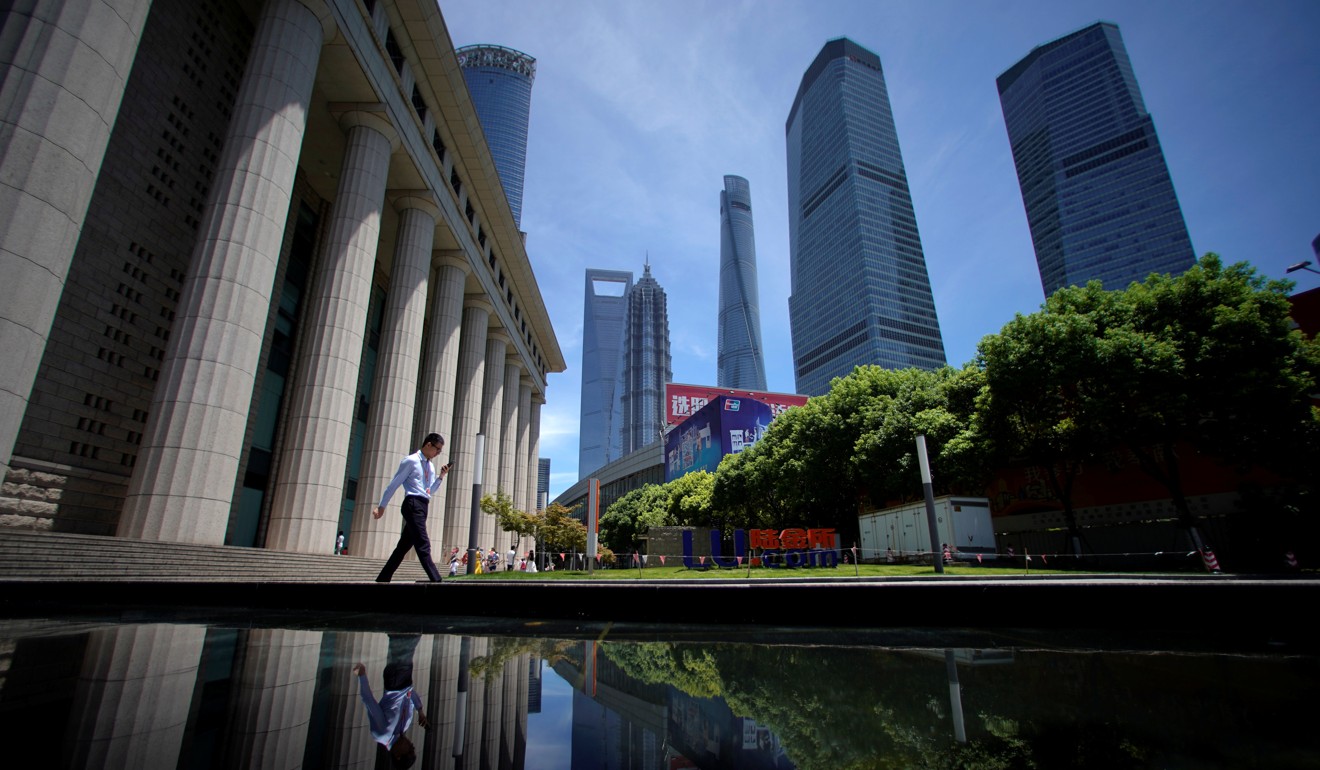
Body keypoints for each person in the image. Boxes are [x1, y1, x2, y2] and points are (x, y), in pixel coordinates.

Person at [373, 433, 450, 583]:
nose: (438, 453)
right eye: (437, 449)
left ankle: (383, 578)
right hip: (412, 504)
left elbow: (429, 491)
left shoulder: (431, 466)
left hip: (423, 504)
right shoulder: (411, 461)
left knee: (403, 547)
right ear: (428, 445)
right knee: (423, 543)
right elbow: (394, 484)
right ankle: (436, 580)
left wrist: (441, 476)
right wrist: (381, 506)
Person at [354, 634, 429, 769]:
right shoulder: (404, 727)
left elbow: (369, 702)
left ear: (398, 755)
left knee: (410, 638)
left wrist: (362, 675)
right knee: (408, 638)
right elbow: (409, 694)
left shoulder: (382, 734)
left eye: (410, 750)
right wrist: (420, 711)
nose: (412, 745)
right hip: (405, 680)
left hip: (395, 681)